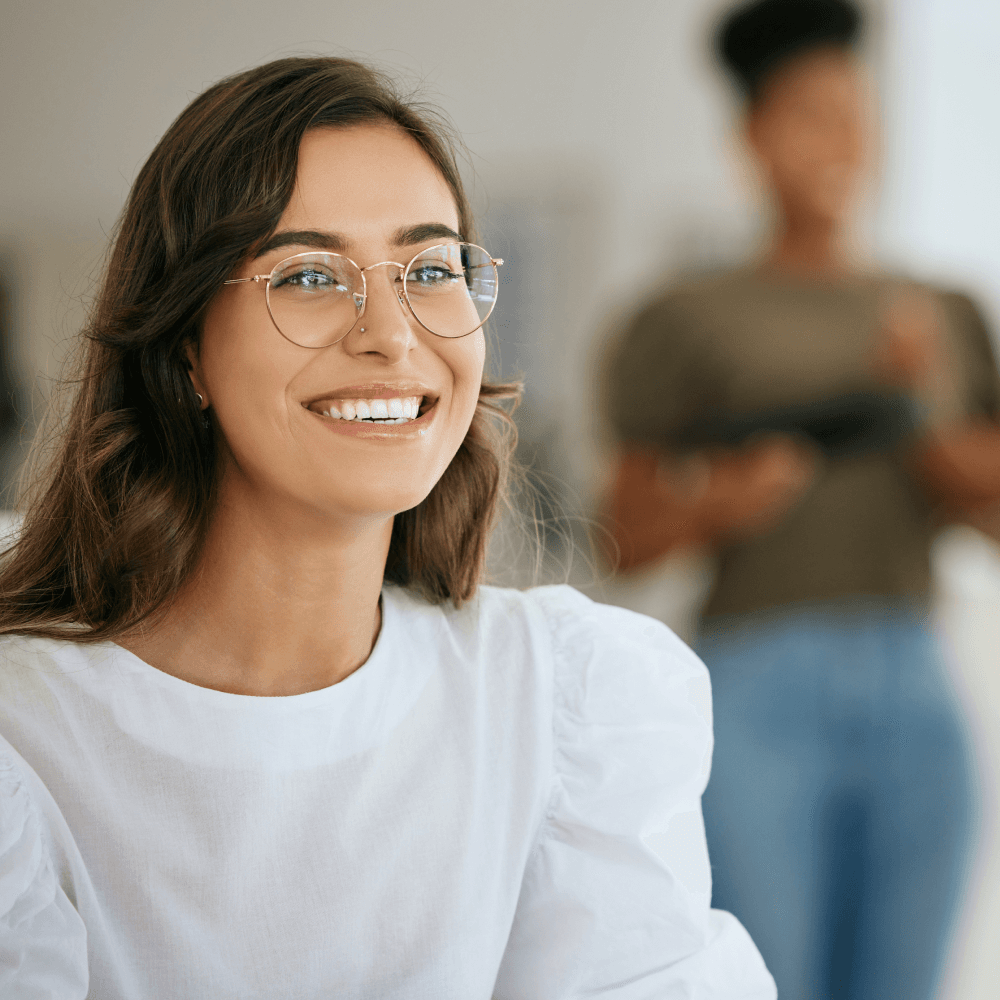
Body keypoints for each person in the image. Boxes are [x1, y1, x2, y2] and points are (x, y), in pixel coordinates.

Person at [0, 57, 774, 999]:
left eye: (430, 268)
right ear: (184, 350)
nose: (393, 334)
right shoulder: (25, 736)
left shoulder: (567, 703)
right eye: (313, 274)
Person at [602, 1, 1000, 997]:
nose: (839, 139)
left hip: (914, 674)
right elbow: (617, 532)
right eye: (808, 113)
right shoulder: (686, 315)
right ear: (750, 137)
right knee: (762, 979)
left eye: (854, 112)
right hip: (752, 680)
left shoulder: (941, 313)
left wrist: (922, 412)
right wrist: (719, 505)